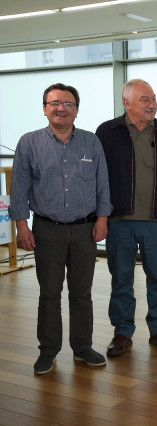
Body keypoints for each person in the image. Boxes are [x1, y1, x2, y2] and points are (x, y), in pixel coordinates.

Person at [9, 83, 112, 374]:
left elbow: (103, 184)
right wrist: (21, 226)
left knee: (82, 292)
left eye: (67, 103)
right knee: (49, 293)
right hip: (46, 230)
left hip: (85, 229)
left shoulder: (91, 142)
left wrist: (103, 219)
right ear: (44, 109)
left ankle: (82, 347)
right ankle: (48, 350)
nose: (60, 108)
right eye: (54, 103)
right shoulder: (29, 142)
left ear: (77, 109)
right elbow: (19, 188)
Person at [96, 79, 157, 356]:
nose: (152, 104)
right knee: (121, 278)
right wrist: (100, 216)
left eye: (154, 98)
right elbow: (97, 178)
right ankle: (122, 331)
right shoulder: (107, 132)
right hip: (118, 220)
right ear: (127, 102)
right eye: (145, 99)